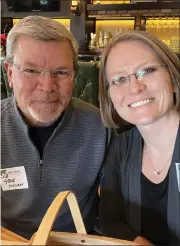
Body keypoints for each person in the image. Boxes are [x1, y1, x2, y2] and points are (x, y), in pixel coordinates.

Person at [1, 16, 111, 239]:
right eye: (31, 71)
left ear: (74, 74)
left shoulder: (101, 128)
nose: (47, 86)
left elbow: (113, 210)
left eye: (61, 72)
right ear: (10, 74)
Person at [99, 30, 180, 245]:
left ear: (172, 76)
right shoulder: (121, 147)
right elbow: (109, 220)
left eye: (147, 70)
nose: (135, 87)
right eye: (119, 80)